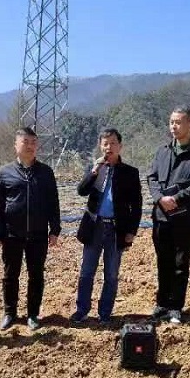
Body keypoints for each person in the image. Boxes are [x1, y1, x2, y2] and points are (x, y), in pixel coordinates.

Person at [147, 106, 190, 324]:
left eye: (178, 122)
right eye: (171, 122)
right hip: (161, 216)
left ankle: (175, 306)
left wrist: (176, 198)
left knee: (180, 263)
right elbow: (152, 178)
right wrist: (160, 198)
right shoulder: (163, 151)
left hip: (185, 217)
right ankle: (161, 303)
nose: (173, 126)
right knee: (163, 261)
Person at [0, 127, 61, 331]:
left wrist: (55, 230)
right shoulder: (4, 173)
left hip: (38, 234)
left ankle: (33, 314)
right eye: (25, 142)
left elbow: (53, 202)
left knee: (36, 275)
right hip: (12, 234)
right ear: (16, 145)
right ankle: (9, 313)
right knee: (10, 275)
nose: (30, 146)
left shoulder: (45, 172)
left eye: (33, 142)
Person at [70, 128, 142, 324]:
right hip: (94, 226)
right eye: (105, 144)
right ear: (100, 146)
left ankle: (105, 313)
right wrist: (94, 172)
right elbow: (81, 191)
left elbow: (136, 205)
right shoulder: (95, 167)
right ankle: (82, 310)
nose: (109, 147)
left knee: (111, 274)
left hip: (116, 229)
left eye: (113, 143)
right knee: (87, 271)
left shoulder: (130, 172)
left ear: (120, 146)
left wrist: (131, 231)